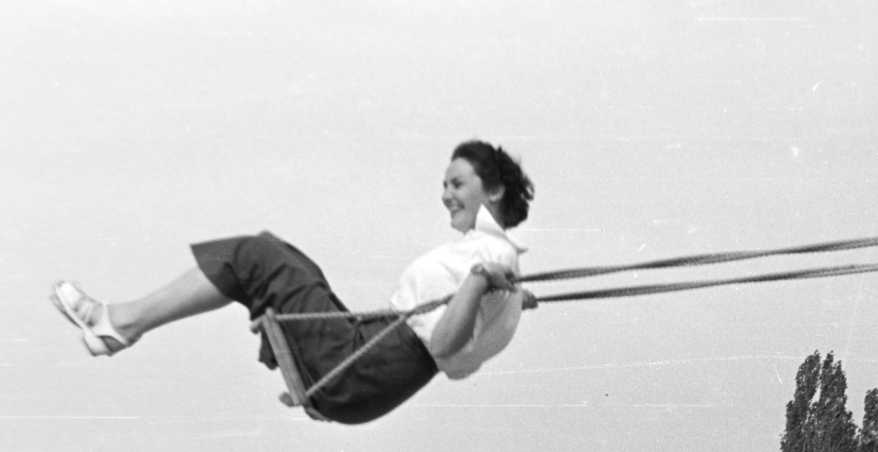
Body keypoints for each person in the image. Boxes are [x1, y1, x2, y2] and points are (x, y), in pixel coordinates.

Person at [50, 140, 536, 425]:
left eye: (457, 183)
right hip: (369, 376)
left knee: (258, 255)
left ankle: (119, 323)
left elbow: (447, 346)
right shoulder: (501, 267)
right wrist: (500, 294)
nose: (445, 194)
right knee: (285, 262)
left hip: (366, 370)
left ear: (493, 189)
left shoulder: (488, 258)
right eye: (445, 185)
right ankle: (119, 324)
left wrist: (478, 284)